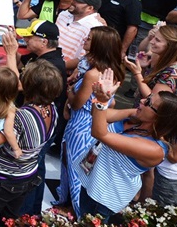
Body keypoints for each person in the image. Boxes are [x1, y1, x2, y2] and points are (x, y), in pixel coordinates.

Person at [77, 69, 177, 221]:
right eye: (148, 98)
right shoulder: (137, 116)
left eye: (149, 103)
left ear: (161, 119)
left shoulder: (154, 149)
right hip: (90, 182)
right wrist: (103, 96)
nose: (142, 101)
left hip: (103, 198)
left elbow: (100, 133)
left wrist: (102, 101)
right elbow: (100, 114)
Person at [0, 54, 64, 224]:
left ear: (27, 86)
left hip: (4, 179)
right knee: (9, 220)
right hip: (27, 175)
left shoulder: (21, 116)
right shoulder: (52, 110)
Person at [54, 26, 126, 214]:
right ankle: (72, 205)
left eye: (89, 38)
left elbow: (77, 104)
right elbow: (111, 102)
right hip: (95, 122)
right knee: (81, 167)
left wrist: (70, 91)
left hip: (81, 125)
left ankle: (74, 209)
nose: (84, 40)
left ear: (99, 45)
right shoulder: (112, 70)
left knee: (74, 166)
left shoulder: (93, 74)